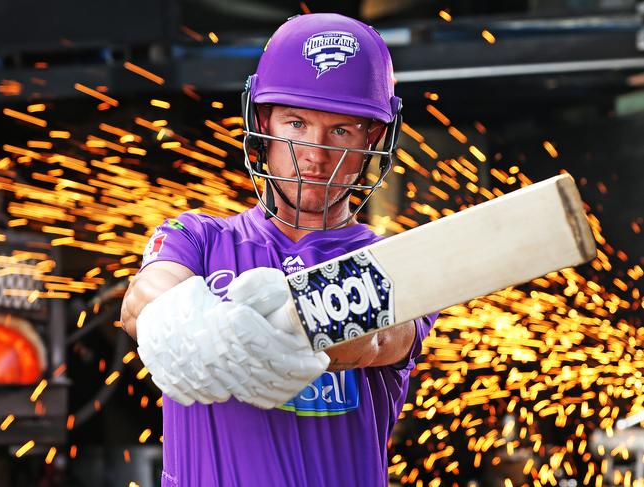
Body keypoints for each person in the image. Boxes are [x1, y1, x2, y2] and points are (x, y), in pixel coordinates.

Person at [120, 12, 438, 487]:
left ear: (373, 139)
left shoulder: (394, 262)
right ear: (263, 123)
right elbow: (143, 298)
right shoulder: (199, 237)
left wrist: (299, 328)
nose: (315, 153)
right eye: (296, 123)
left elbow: (379, 340)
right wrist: (191, 319)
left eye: (341, 131)